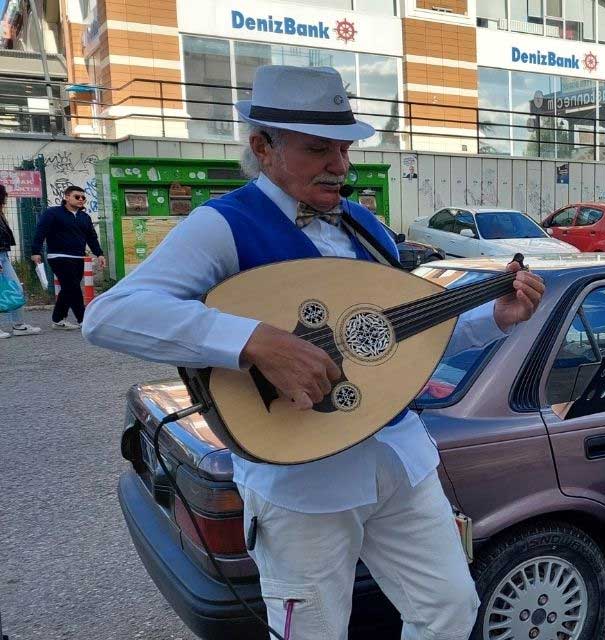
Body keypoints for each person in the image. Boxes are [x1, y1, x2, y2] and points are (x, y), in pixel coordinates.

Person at [83, 65, 546, 639]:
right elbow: (111, 315)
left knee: (450, 608)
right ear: (262, 147)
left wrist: (493, 316)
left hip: (400, 460)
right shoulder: (221, 225)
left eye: (344, 148)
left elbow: (388, 339)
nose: (341, 165)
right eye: (317, 149)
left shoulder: (364, 225)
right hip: (303, 483)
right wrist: (252, 341)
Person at [29, 184, 105, 330]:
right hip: (59, 256)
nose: (81, 199)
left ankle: (58, 319)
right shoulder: (53, 213)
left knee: (68, 288)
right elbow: (41, 231)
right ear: (67, 197)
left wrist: (99, 253)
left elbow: (91, 237)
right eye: (77, 197)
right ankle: (83, 320)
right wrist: (36, 251)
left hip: (78, 258)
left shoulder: (84, 217)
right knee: (73, 287)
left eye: (83, 197)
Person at [0, 185, 40, 338]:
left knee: (16, 288)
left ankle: (19, 325)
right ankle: (18, 325)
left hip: (4, 255)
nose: (6, 199)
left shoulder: (1, 214)